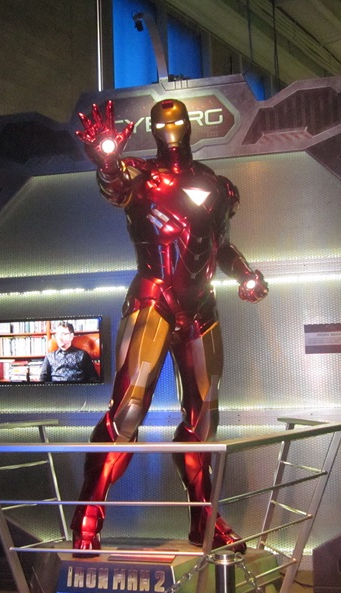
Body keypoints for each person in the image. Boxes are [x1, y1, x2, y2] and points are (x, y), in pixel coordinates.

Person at [71, 98, 268, 553]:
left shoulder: (217, 186)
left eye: (177, 121)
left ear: (189, 126)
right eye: (163, 123)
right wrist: (107, 162)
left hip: (201, 305)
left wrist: (246, 275)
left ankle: (204, 521)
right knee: (127, 411)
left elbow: (220, 246)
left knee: (204, 419)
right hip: (153, 297)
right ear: (154, 129)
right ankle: (87, 517)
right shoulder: (139, 176)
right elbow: (114, 185)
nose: (171, 129)